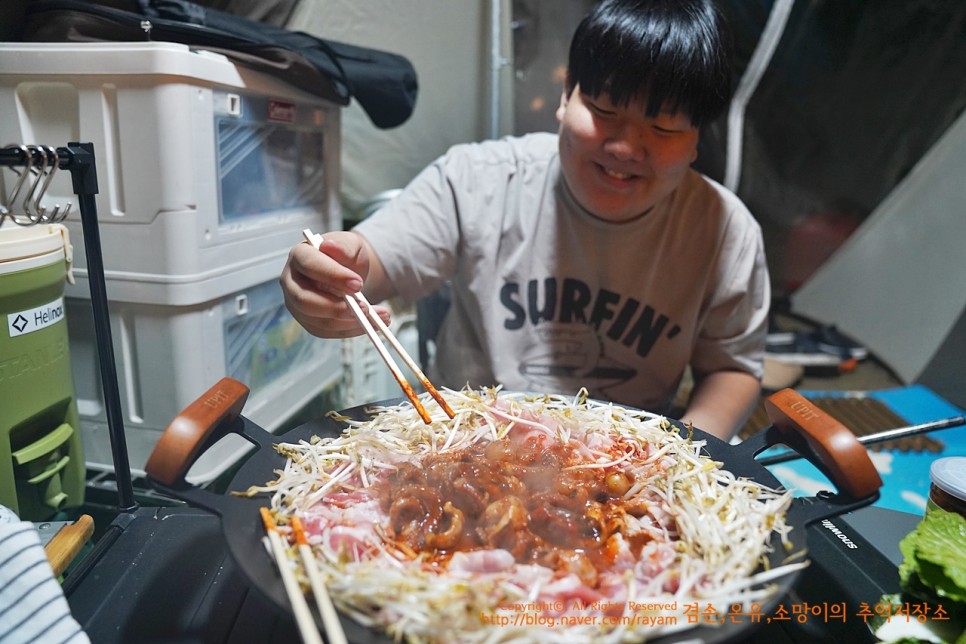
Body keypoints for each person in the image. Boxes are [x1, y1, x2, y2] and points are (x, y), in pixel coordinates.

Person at [280, 0, 768, 441]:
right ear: (566, 95)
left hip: (628, 460)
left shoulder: (727, 231)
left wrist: (681, 453)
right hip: (465, 444)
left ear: (697, 136)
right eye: (603, 110)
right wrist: (333, 276)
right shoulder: (476, 179)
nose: (624, 148)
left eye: (663, 128)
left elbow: (733, 369)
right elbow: (371, 263)